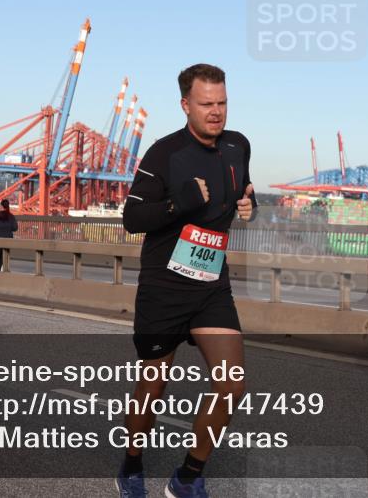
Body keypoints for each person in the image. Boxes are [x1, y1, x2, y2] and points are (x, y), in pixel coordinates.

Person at [116, 64, 256, 498]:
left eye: (222, 103)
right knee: (153, 387)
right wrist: (181, 202)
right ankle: (132, 465)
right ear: (185, 105)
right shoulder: (164, 154)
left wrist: (251, 204)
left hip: (212, 282)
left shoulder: (238, 145)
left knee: (232, 382)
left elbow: (243, 190)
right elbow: (133, 218)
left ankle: (188, 477)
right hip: (164, 286)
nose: (216, 112)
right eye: (206, 104)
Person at [0, 199, 18, 271]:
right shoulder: (11, 217)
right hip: (7, 240)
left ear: (1, 206)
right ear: (8, 206)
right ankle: (1, 267)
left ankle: (0, 266)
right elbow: (15, 228)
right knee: (4, 256)